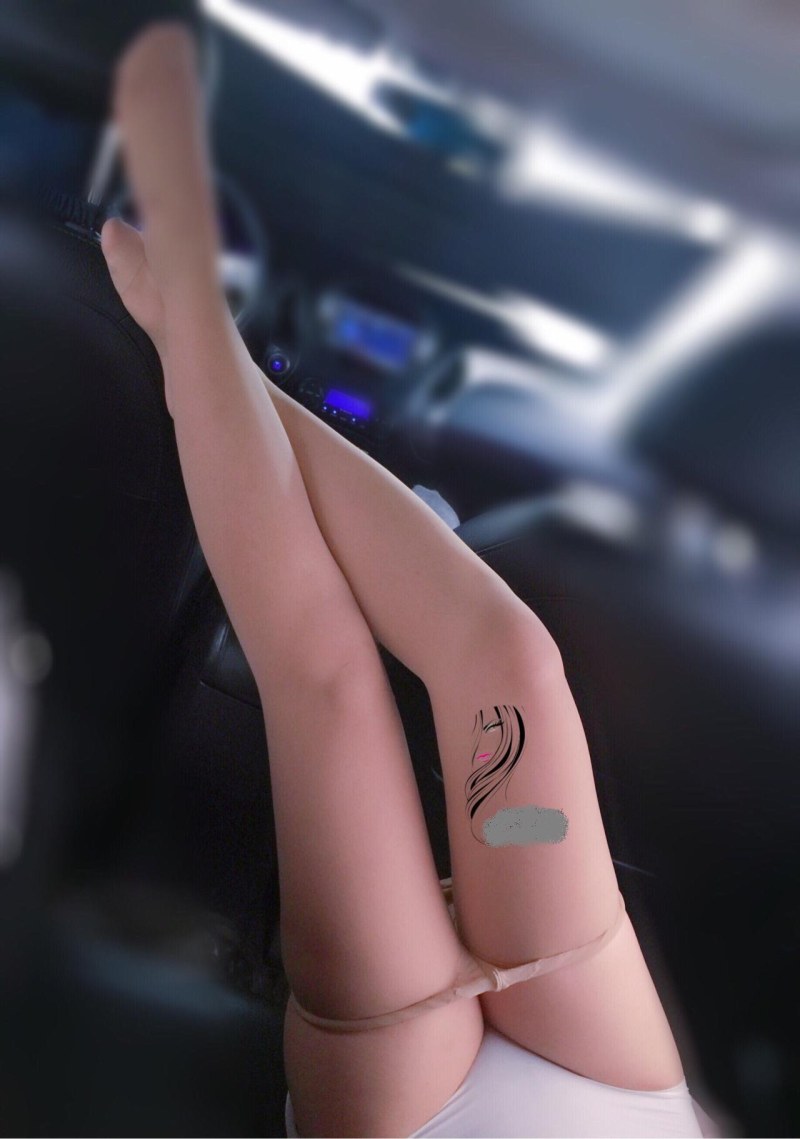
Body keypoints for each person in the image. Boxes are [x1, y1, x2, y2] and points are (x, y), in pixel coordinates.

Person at [99, 22, 716, 1138]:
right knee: (508, 659)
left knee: (326, 677)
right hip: (619, 1095)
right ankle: (198, 338)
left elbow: (326, 670)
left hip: (426, 1119)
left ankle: (188, 297)